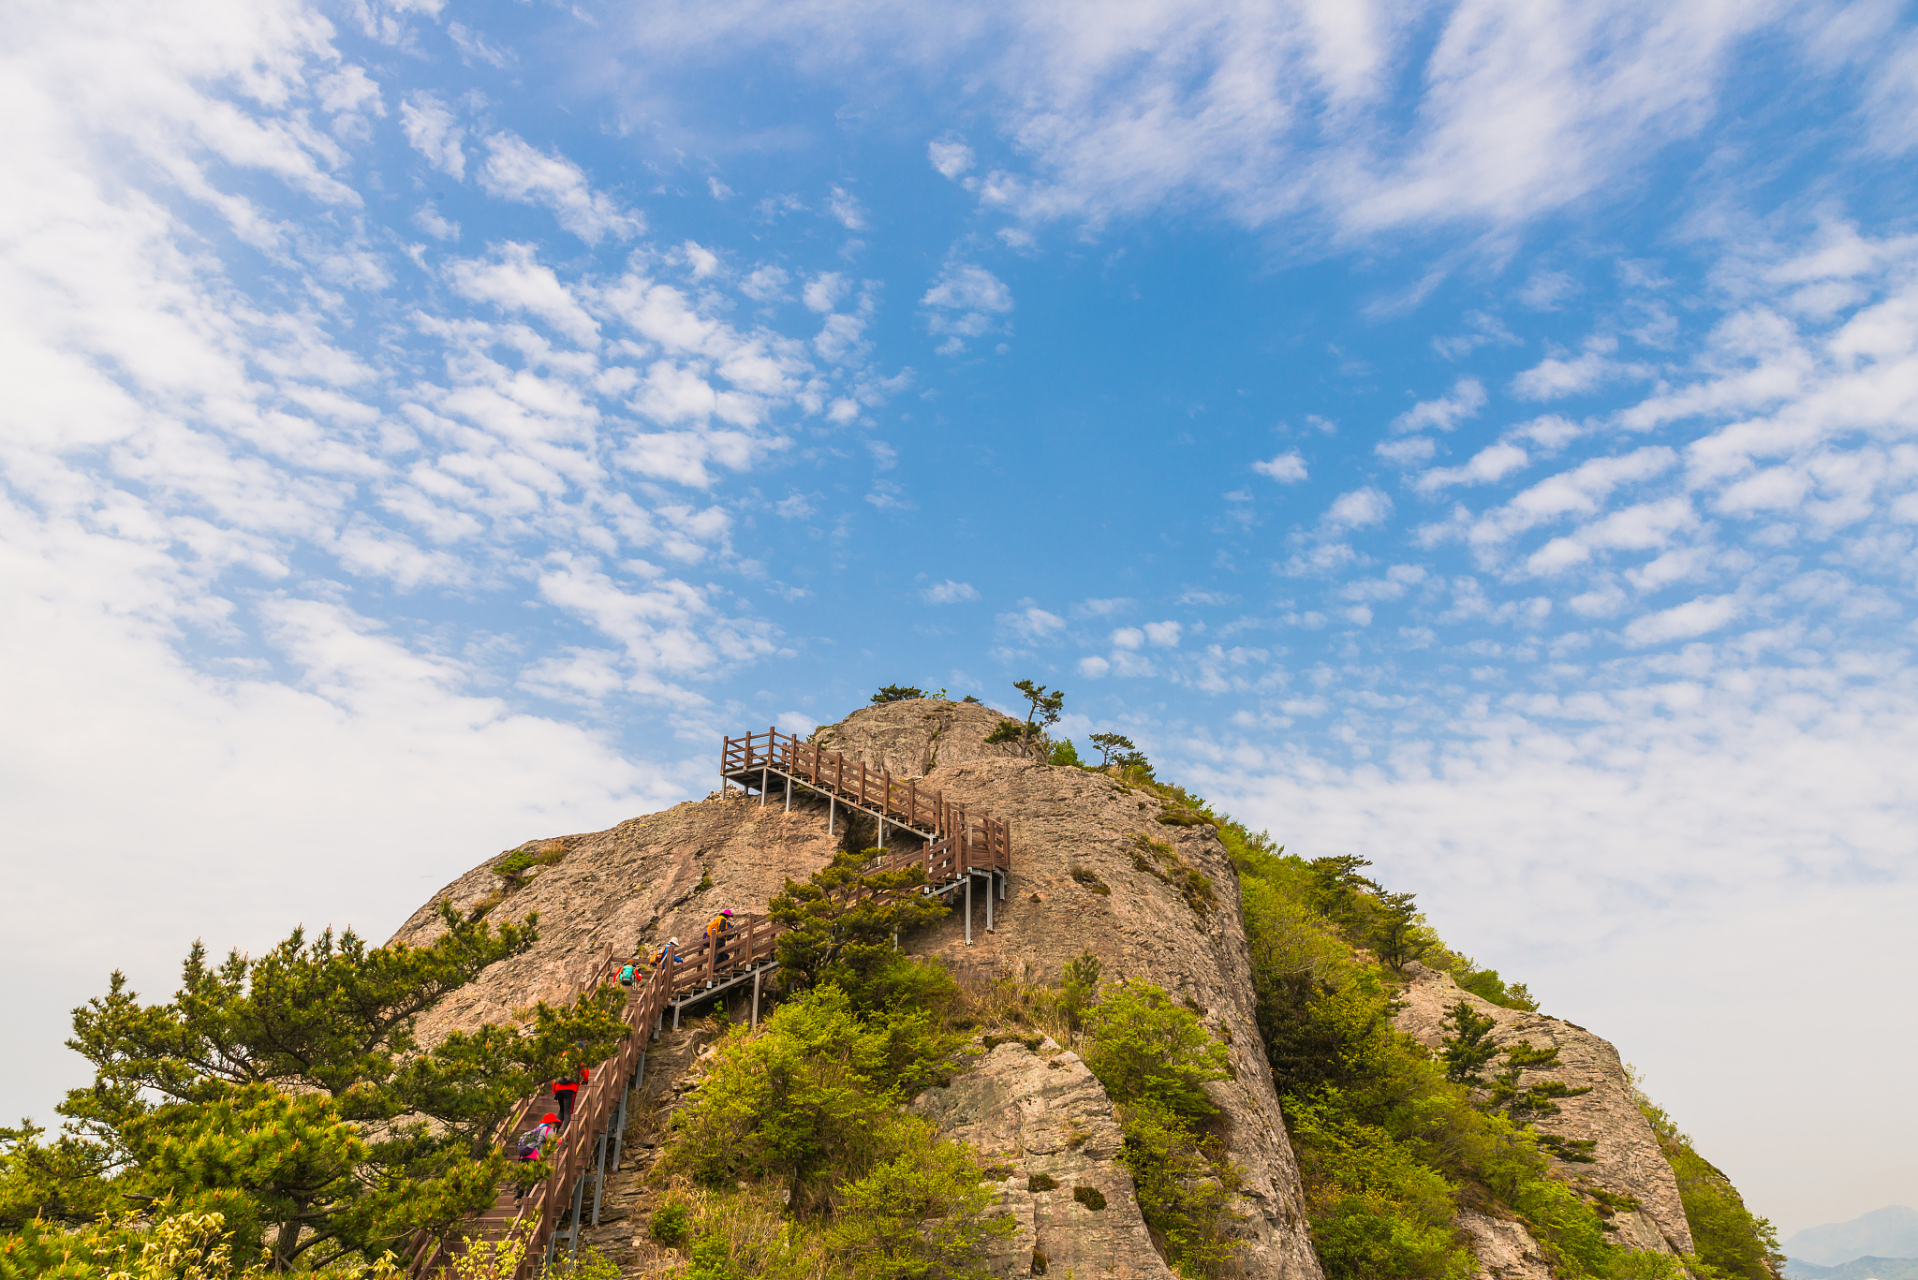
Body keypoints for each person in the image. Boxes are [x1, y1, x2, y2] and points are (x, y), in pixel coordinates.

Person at [551, 1062, 588, 1126]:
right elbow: (584, 1071)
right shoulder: (578, 1058)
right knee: (568, 1113)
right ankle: (566, 1135)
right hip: (570, 1088)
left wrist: (554, 1093)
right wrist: (585, 1080)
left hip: (558, 1088)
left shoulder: (561, 1058)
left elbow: (555, 1076)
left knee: (562, 1111)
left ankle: (552, 1133)